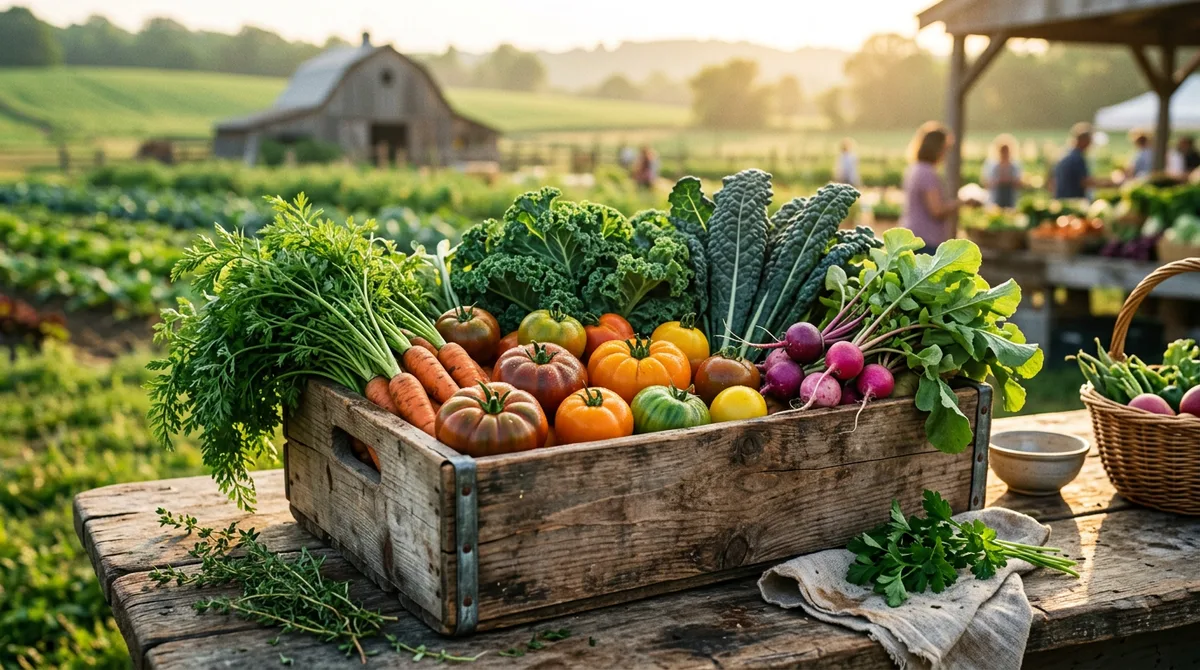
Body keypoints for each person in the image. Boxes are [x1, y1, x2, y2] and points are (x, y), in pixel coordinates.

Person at [901, 121, 961, 251]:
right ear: (937, 149)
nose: (945, 154)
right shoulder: (927, 173)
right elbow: (936, 210)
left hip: (913, 234)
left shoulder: (915, 168)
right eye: (945, 149)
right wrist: (961, 203)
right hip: (925, 239)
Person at [1053, 123, 1102, 199]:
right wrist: (1109, 184)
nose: (1090, 144)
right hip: (1073, 201)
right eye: (1089, 140)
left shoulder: (1065, 153)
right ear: (1083, 141)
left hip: (1061, 198)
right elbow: (1085, 182)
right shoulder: (1077, 158)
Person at [982, 134, 1023, 208]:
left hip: (1011, 199)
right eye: (1002, 150)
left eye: (1006, 150)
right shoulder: (991, 165)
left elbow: (1019, 183)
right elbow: (985, 183)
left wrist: (1009, 180)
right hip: (995, 199)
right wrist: (999, 181)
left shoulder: (1015, 165)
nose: (1004, 153)